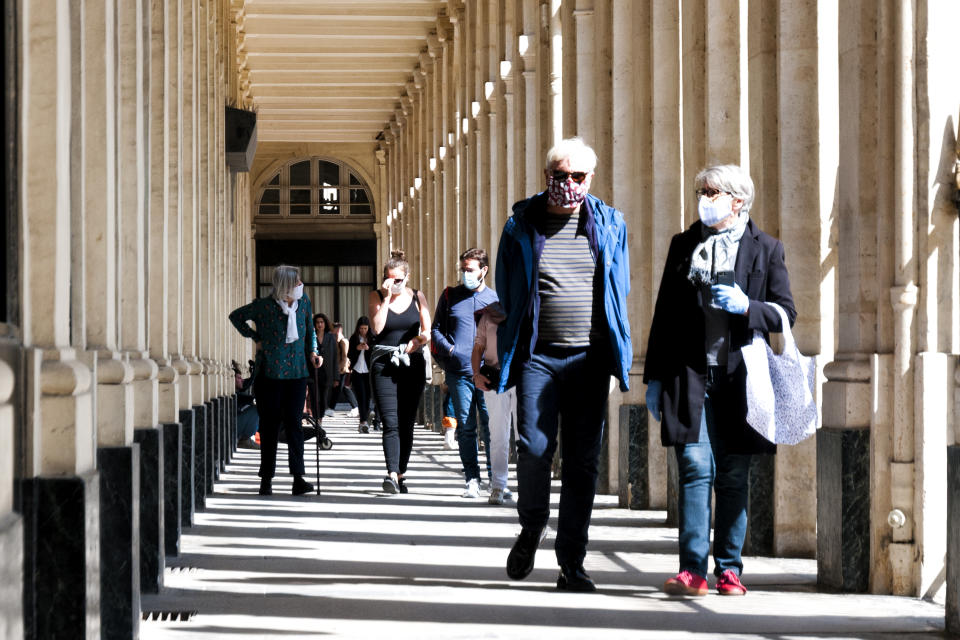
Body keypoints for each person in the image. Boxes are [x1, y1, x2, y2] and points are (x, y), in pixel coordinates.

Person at [644, 164, 796, 597]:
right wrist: (653, 378)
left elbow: (786, 313)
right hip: (689, 377)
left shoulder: (765, 249)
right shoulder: (683, 245)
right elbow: (664, 317)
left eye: (712, 192)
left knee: (732, 473)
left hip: (741, 380)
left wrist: (748, 306)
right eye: (700, 191)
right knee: (694, 467)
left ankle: (729, 568)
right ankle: (692, 570)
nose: (704, 199)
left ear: (738, 199)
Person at [495, 137, 632, 592]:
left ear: (590, 179)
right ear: (546, 175)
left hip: (589, 359)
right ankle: (532, 524)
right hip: (539, 357)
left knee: (582, 463)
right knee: (533, 447)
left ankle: (571, 560)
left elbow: (619, 287)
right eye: (560, 176)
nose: (568, 185)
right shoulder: (520, 225)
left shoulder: (611, 223)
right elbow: (508, 290)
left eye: (578, 177)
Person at [229, 265, 321, 496]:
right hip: (269, 374)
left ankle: (298, 478)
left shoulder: (304, 303)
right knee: (269, 427)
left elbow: (309, 330)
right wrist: (255, 338)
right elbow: (236, 316)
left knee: (294, 426)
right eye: (297, 282)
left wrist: (313, 352)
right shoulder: (264, 306)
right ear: (286, 285)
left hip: (297, 374)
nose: (301, 285)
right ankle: (266, 479)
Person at [432, 248, 499, 498]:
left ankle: (496, 479)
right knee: (467, 428)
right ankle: (472, 479)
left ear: (484, 270)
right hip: (460, 373)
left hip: (489, 374)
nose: (465, 274)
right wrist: (450, 350)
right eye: (463, 270)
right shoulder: (450, 296)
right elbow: (436, 329)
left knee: (491, 428)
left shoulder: (494, 299)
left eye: (469, 270)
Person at [369, 250, 432, 494]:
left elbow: (428, 329)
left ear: (407, 278)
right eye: (388, 278)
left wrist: (418, 341)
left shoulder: (418, 296)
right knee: (390, 421)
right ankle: (391, 474)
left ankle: (401, 471)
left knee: (407, 422)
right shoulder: (375, 296)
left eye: (397, 280)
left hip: (411, 363)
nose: (392, 283)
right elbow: (377, 328)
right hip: (384, 363)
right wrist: (386, 298)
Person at [472, 301, 517, 505]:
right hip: (495, 378)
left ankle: (528, 487)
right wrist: (476, 374)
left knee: (525, 436)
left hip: (522, 377)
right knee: (498, 435)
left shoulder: (525, 308)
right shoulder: (488, 315)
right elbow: (478, 346)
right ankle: (498, 485)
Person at [309, 313, 338, 420]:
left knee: (323, 397)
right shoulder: (311, 337)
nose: (320, 324)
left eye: (322, 322)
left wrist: (336, 377)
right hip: (313, 372)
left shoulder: (331, 337)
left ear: (325, 324)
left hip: (327, 372)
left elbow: (335, 357)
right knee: (314, 396)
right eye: (317, 322)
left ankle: (320, 417)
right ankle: (317, 418)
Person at [348, 316, 374, 433]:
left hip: (368, 372)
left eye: (365, 328)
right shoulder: (354, 338)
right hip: (357, 371)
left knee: (367, 397)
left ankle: (365, 420)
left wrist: (368, 349)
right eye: (361, 328)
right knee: (361, 396)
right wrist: (357, 348)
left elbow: (375, 354)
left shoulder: (372, 338)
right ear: (358, 328)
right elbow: (349, 354)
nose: (363, 331)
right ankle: (363, 421)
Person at [332, 322, 360, 417]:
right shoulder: (337, 341)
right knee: (342, 388)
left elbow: (345, 356)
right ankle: (331, 407)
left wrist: (340, 368)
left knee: (344, 387)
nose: (332, 331)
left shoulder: (343, 341)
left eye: (334, 329)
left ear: (338, 330)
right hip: (341, 368)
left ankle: (355, 407)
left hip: (344, 368)